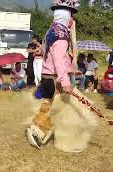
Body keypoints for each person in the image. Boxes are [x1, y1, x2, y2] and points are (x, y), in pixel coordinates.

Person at [26, 0, 78, 149]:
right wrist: (65, 82)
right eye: (71, 16)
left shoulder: (52, 31)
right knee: (53, 108)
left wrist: (71, 68)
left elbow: (52, 55)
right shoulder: (61, 36)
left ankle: (41, 130)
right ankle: (37, 132)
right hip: (54, 78)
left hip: (47, 75)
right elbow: (58, 60)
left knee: (47, 106)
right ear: (66, 16)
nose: (72, 20)